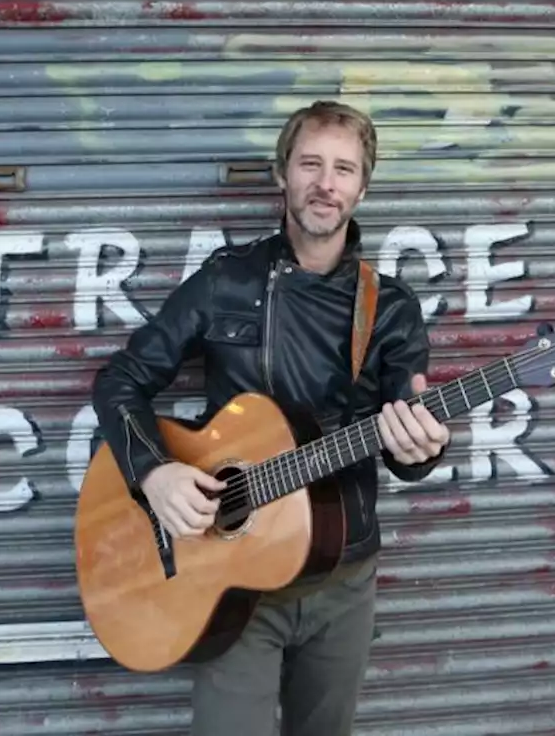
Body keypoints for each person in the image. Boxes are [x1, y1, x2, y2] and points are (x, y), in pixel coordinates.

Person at [89, 99, 451, 736]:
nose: (325, 183)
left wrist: (420, 449)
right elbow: (121, 382)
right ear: (283, 174)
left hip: (342, 576)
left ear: (363, 186)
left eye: (343, 169)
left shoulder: (390, 307)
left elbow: (403, 440)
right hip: (231, 579)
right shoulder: (225, 282)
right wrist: (154, 473)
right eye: (310, 163)